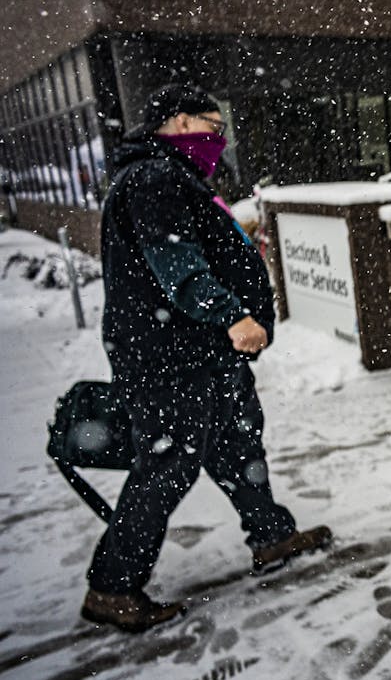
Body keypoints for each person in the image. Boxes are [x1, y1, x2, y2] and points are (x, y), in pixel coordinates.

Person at [83, 83, 331, 633]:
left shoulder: (175, 176)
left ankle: (270, 535)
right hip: (170, 356)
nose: (218, 138)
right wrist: (229, 315)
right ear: (172, 122)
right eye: (209, 125)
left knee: (238, 440)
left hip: (198, 351)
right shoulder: (154, 177)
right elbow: (176, 261)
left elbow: (192, 247)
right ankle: (112, 586)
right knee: (167, 467)